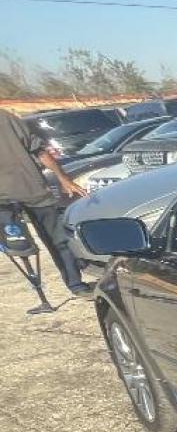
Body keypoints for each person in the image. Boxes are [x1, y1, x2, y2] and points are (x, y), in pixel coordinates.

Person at [0, 108, 90, 296]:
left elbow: (39, 150)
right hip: (4, 201)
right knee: (18, 245)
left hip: (33, 190)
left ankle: (75, 283)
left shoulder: (6, 119)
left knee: (58, 240)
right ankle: (40, 291)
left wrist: (64, 179)